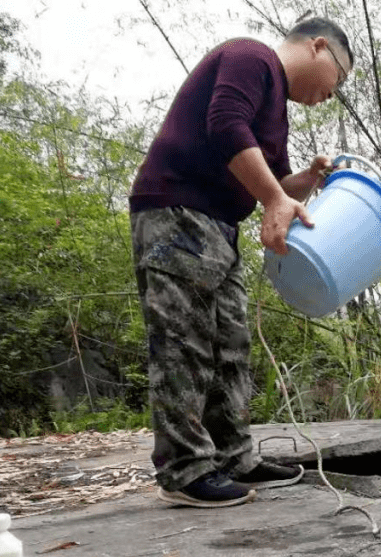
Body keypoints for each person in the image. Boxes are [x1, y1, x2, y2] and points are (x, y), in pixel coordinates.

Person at [130, 18, 353, 507]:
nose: (329, 95)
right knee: (184, 342)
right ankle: (185, 470)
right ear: (318, 47)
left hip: (220, 226)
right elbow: (225, 124)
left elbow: (269, 182)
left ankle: (233, 456)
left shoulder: (276, 109)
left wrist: (305, 181)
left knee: (231, 344)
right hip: (176, 212)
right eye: (337, 79)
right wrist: (275, 198)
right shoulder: (251, 57)